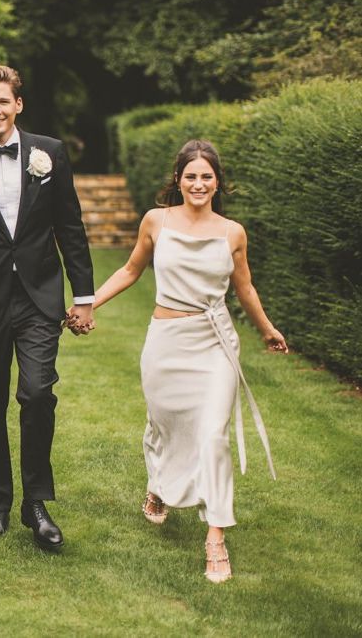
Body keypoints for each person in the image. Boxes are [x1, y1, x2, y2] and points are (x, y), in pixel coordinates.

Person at [90, 139, 287, 582]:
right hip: (166, 342)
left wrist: (266, 328)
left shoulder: (232, 232)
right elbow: (129, 270)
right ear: (177, 180)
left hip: (215, 343)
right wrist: (90, 304)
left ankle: (215, 535)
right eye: (191, 176)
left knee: (212, 435)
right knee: (166, 424)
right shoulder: (156, 221)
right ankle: (159, 485)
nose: (199, 184)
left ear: (218, 181)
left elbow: (245, 288)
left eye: (207, 176)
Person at [0, 65, 94, 551]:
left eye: (2, 102)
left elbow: (69, 225)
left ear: (17, 105)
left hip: (38, 297)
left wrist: (84, 296)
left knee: (36, 393)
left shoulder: (49, 153)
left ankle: (36, 502)